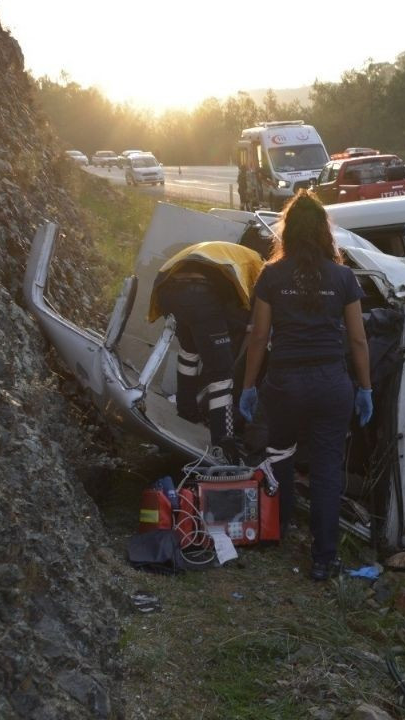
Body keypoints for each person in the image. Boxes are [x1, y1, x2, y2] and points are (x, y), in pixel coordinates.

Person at [239, 190, 372, 581]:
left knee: (280, 454)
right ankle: (324, 558)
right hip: (332, 383)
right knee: (327, 469)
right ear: (324, 233)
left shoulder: (272, 275)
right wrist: (365, 388)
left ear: (288, 232)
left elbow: (259, 337)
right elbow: (359, 339)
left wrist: (249, 385)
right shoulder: (343, 277)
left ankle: (276, 531)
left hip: (285, 383)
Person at [148, 236, 267, 457]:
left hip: (167, 287)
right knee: (222, 374)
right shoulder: (258, 266)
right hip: (199, 292)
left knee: (189, 353)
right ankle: (224, 441)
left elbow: (220, 310)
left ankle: (186, 411)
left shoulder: (232, 254)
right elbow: (240, 309)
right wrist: (248, 327)